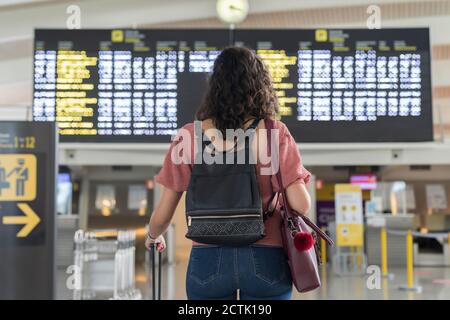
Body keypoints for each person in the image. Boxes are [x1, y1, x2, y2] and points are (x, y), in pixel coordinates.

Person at [145, 47, 311, 300]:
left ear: (214, 86)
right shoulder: (274, 133)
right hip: (266, 257)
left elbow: (163, 214)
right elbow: (301, 204)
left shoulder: (188, 136)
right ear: (260, 86)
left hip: (208, 258)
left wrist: (153, 235)